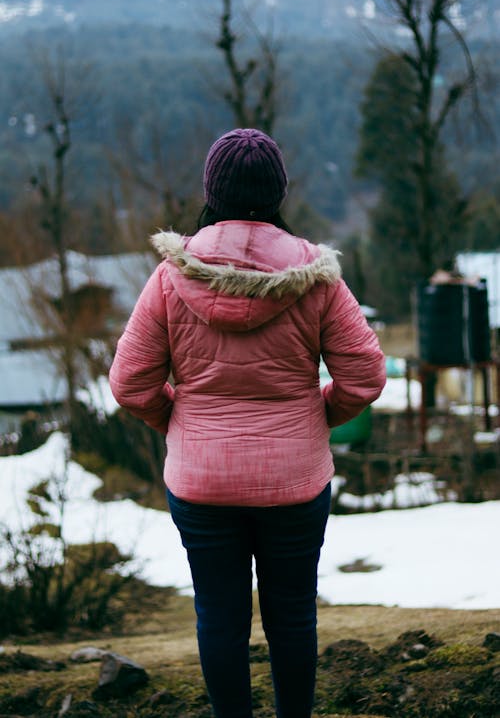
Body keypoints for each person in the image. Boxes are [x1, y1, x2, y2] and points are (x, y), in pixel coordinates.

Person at [109, 128, 386, 718]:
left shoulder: (168, 277)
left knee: (219, 615)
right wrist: (314, 418)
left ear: (212, 188)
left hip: (201, 482)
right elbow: (365, 377)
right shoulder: (318, 278)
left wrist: (182, 424)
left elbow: (128, 384)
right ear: (278, 190)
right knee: (292, 614)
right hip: (295, 480)